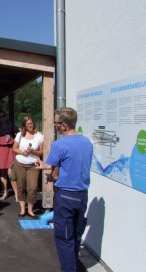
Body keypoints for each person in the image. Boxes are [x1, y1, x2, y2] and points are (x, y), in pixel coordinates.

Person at [45, 107, 93, 272]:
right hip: (82, 195)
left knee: (64, 238)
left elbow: (54, 173)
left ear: (64, 125)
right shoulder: (87, 142)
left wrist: (49, 175)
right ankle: (73, 265)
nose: (56, 126)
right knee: (76, 235)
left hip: (65, 195)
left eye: (57, 123)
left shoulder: (59, 145)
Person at [12, 116, 43, 218]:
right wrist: (23, 152)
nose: (30, 125)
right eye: (28, 124)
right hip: (20, 163)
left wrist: (33, 151)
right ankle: (22, 209)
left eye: (31, 123)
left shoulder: (39, 136)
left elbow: (41, 152)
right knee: (21, 186)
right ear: (24, 125)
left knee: (33, 188)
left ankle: (30, 209)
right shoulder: (20, 135)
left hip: (32, 165)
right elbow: (14, 148)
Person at [0, 111, 15, 201]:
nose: (1, 118)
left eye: (3, 116)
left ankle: (17, 194)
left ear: (6, 116)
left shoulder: (12, 125)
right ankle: (5, 191)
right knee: (2, 173)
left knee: (11, 173)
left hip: (9, 151)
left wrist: (12, 139)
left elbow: (18, 136)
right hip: (0, 151)